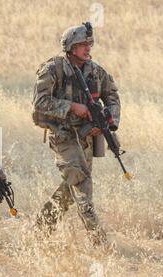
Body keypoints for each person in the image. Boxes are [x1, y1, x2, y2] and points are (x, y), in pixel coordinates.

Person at [32, 22, 121, 246]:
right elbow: (39, 103)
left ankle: (42, 226)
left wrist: (107, 122)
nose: (88, 48)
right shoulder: (53, 69)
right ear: (71, 47)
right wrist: (71, 107)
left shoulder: (96, 71)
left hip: (88, 137)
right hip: (63, 135)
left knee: (72, 186)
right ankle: (99, 241)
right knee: (81, 182)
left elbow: (112, 97)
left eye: (89, 44)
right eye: (83, 44)